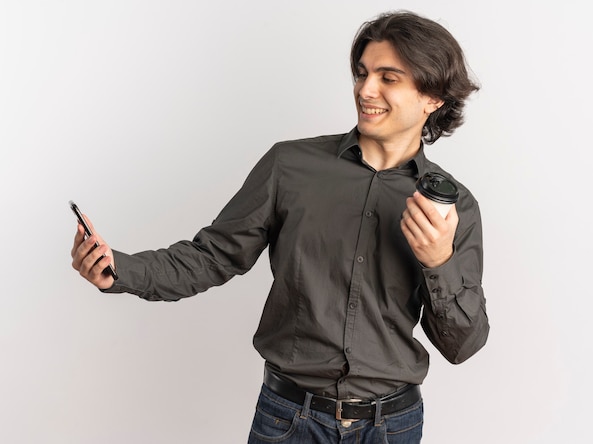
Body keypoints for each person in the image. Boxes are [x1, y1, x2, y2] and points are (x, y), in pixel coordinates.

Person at [71, 10, 489, 443]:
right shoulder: (289, 166)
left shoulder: (455, 208)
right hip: (289, 420)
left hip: (392, 427)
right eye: (362, 74)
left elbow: (463, 344)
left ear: (433, 97)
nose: (365, 90)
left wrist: (438, 261)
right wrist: (119, 268)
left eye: (389, 78)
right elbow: (212, 256)